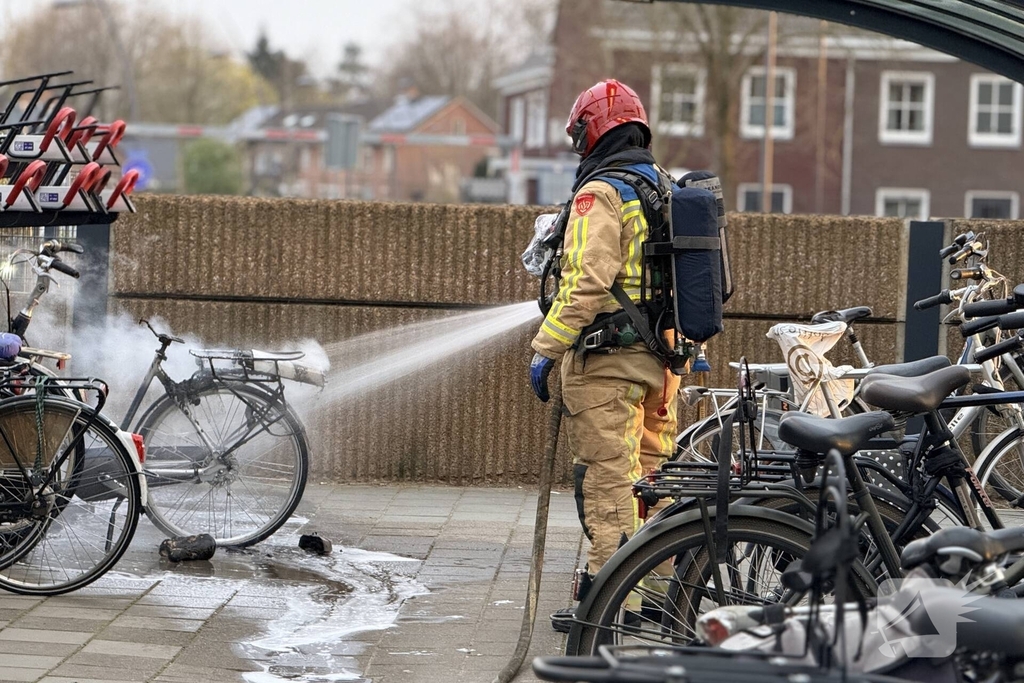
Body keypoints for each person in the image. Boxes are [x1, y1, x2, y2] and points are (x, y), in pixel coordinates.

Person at [528, 79, 681, 629]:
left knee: (611, 482)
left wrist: (546, 347)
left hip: (608, 364)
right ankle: (660, 596)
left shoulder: (601, 194)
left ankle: (607, 606)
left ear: (593, 131)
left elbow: (587, 282)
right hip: (661, 365)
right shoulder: (661, 187)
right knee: (654, 479)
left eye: (579, 136)